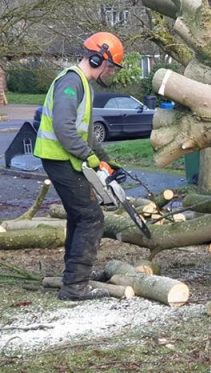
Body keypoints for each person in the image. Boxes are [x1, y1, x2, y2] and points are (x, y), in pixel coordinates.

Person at [33, 32, 125, 301]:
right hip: (60, 159)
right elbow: (64, 129)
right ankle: (75, 286)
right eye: (109, 66)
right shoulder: (71, 83)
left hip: (66, 159)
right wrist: (91, 159)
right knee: (91, 218)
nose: (110, 72)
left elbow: (84, 133)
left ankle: (73, 276)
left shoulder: (83, 84)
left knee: (79, 216)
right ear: (97, 58)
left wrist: (106, 159)